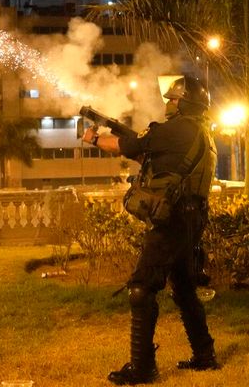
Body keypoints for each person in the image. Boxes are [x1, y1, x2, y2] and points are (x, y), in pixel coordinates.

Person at [82, 75, 219, 385]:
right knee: (184, 289)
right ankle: (205, 355)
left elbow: (128, 145)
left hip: (173, 219)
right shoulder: (199, 132)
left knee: (142, 288)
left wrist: (93, 138)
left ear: (185, 102)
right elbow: (147, 154)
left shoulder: (178, 128)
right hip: (190, 218)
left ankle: (143, 368)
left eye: (173, 99)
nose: (168, 103)